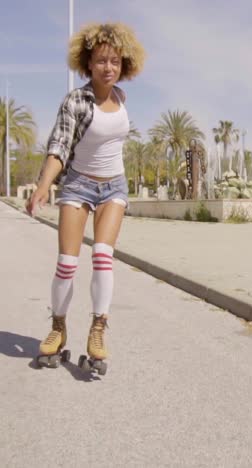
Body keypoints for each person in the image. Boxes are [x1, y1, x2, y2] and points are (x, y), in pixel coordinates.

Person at [26, 23, 145, 370]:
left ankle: (98, 327)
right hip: (78, 185)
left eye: (115, 62)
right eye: (101, 61)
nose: (109, 68)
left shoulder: (122, 98)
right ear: (88, 64)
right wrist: (44, 185)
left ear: (124, 64)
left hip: (114, 187)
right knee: (67, 263)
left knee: (104, 256)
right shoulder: (77, 101)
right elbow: (59, 147)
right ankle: (58, 327)